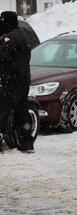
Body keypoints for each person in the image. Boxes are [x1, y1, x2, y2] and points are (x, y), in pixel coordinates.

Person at [0, 11, 34, 153]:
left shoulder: (11, 37)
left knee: (2, 110)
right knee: (21, 111)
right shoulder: (21, 34)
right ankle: (26, 142)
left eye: (2, 22)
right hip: (21, 80)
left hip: (11, 81)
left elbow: (1, 54)